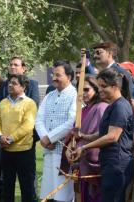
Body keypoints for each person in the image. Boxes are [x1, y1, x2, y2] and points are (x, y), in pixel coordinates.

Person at [71, 68, 134, 202]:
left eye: (103, 86)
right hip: (110, 163)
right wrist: (84, 136)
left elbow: (112, 136)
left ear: (115, 86)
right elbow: (103, 134)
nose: (99, 90)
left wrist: (84, 147)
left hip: (117, 164)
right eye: (99, 86)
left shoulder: (120, 106)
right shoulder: (112, 105)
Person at [0, 56, 39, 200]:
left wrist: (10, 138)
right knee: (7, 186)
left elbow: (28, 125)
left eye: (14, 84)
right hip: (6, 150)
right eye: (10, 83)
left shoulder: (29, 103)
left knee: (26, 186)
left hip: (24, 150)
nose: (10, 86)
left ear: (23, 87)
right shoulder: (3, 102)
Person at [35, 60, 77, 202]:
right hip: (49, 151)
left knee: (63, 194)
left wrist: (50, 138)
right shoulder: (49, 95)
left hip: (64, 152)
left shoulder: (75, 96)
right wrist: (44, 139)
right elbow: (39, 119)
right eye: (53, 75)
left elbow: (71, 123)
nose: (54, 78)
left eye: (58, 75)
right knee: (49, 194)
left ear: (69, 77)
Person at [65, 76, 108, 202]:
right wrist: (69, 149)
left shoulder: (102, 107)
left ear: (96, 89)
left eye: (86, 89)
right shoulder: (82, 110)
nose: (82, 94)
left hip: (96, 165)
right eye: (80, 90)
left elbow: (103, 135)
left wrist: (83, 145)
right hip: (82, 163)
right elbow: (75, 135)